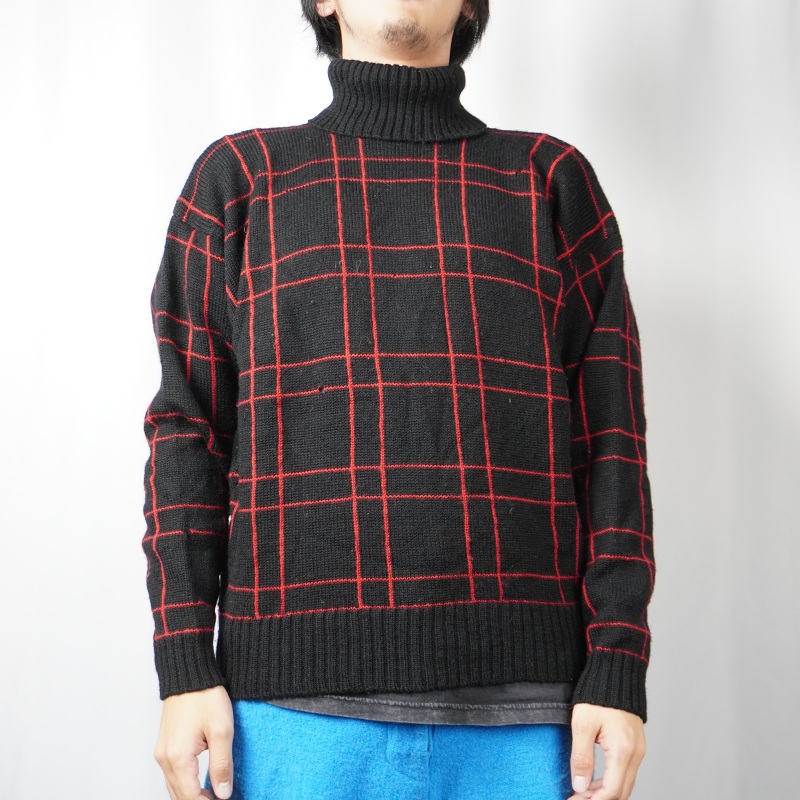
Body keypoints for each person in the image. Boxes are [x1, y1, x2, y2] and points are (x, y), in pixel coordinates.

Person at [141, 1, 655, 798]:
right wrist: (183, 667)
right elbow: (187, 435)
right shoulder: (240, 179)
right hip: (288, 718)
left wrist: (618, 669)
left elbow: (613, 445)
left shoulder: (551, 181)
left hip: (530, 723)